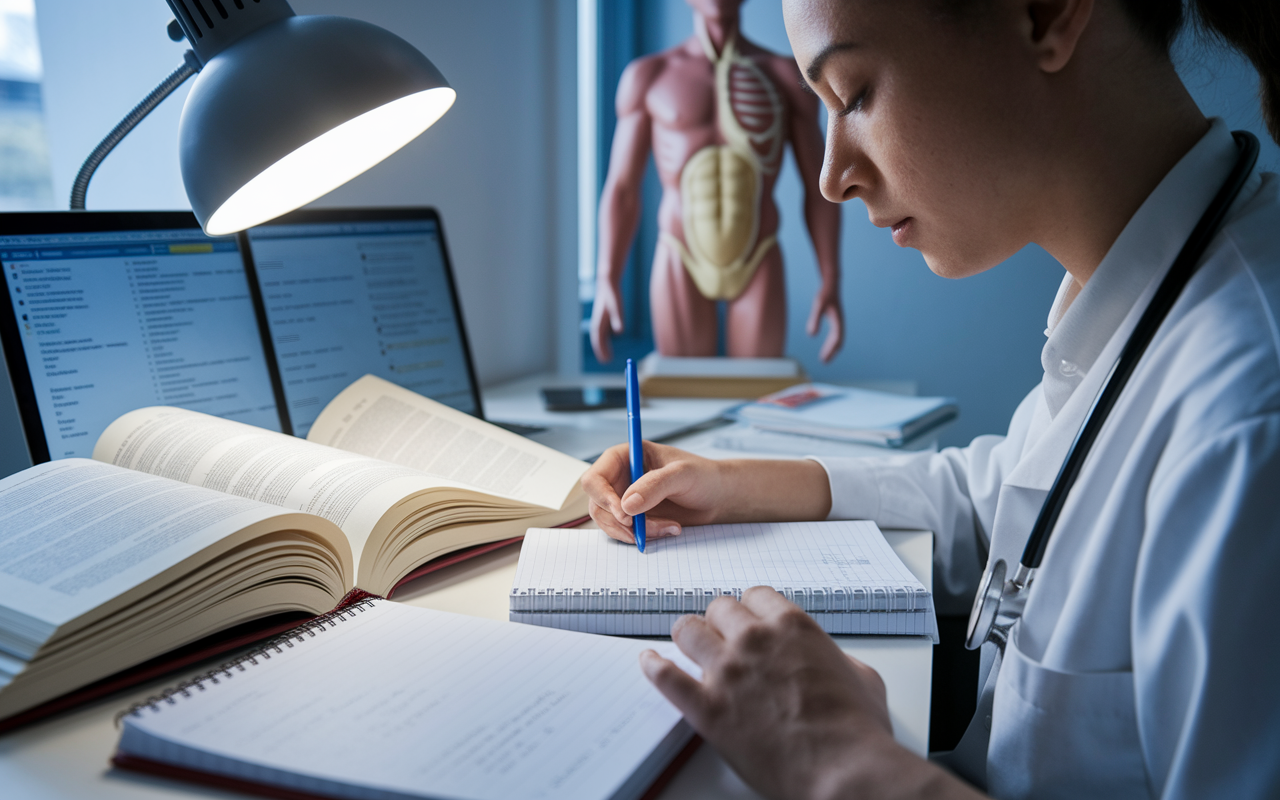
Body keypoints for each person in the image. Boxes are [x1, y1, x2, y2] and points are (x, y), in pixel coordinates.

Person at [581, 0, 1280, 797]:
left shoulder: (1250, 418)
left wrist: (845, 765)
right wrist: (734, 483)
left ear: (1047, 14)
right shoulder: (1133, 300)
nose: (830, 177)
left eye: (852, 95)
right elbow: (992, 499)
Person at [588, 0, 844, 363]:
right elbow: (623, 189)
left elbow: (820, 188)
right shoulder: (649, 77)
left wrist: (831, 279)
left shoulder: (787, 77)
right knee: (685, 394)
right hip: (680, 252)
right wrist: (605, 278)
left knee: (758, 393)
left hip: (758, 254)